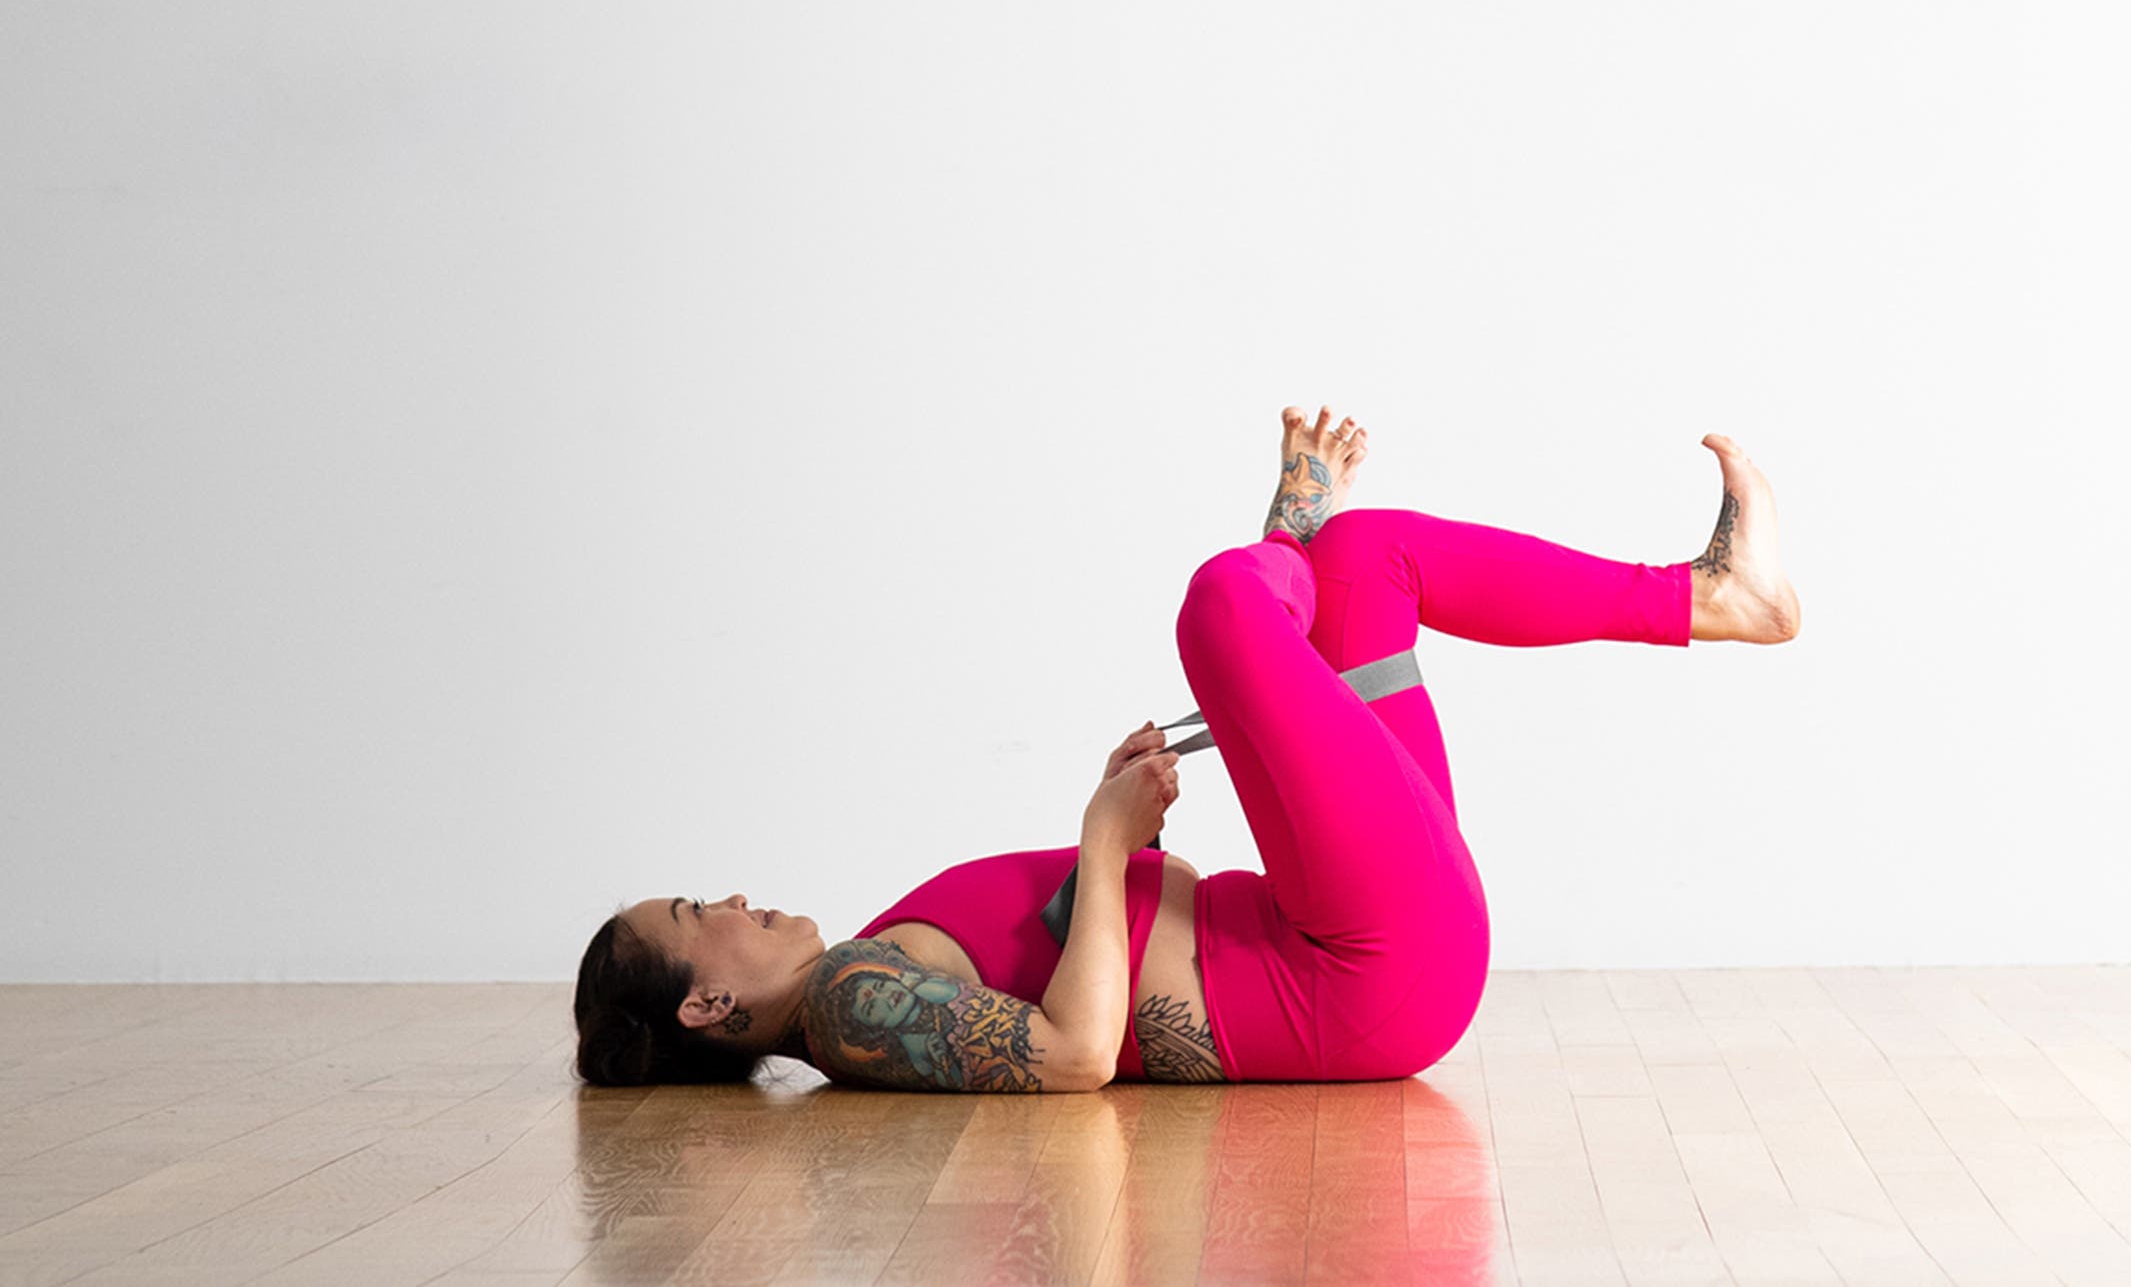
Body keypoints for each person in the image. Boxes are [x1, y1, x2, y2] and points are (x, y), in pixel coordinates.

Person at [573, 407, 1801, 1090]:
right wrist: (1106, 840)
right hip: (1360, 972)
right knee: (1224, 603)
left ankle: (1714, 596)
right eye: (697, 909)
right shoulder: (847, 1007)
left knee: (1370, 557)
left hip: (1356, 934)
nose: (731, 894)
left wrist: (1120, 833)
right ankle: (1287, 552)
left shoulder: (865, 966)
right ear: (709, 1003)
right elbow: (1065, 1058)